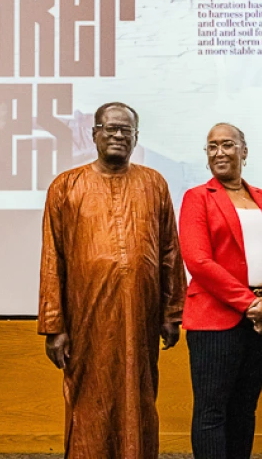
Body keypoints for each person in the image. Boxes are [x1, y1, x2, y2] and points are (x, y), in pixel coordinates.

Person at [38, 102, 185, 459]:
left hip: (141, 318)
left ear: (136, 138)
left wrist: (171, 312)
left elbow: (169, 250)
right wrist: (54, 325)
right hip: (86, 320)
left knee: (139, 396)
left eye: (126, 131)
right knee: (89, 399)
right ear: (95, 134)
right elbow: (51, 259)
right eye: (111, 128)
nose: (119, 136)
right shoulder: (65, 186)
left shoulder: (154, 183)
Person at [179, 123, 262, 459]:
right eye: (211, 146)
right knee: (213, 411)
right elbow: (198, 261)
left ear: (244, 150)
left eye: (227, 145)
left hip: (260, 319)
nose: (219, 152)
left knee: (245, 408)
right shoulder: (197, 197)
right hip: (214, 320)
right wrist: (249, 303)